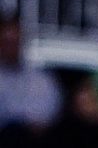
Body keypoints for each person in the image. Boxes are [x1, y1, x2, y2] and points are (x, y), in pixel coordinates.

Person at [0, 11, 63, 146]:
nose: (10, 47)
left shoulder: (42, 80)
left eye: (14, 41)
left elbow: (44, 120)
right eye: (6, 41)